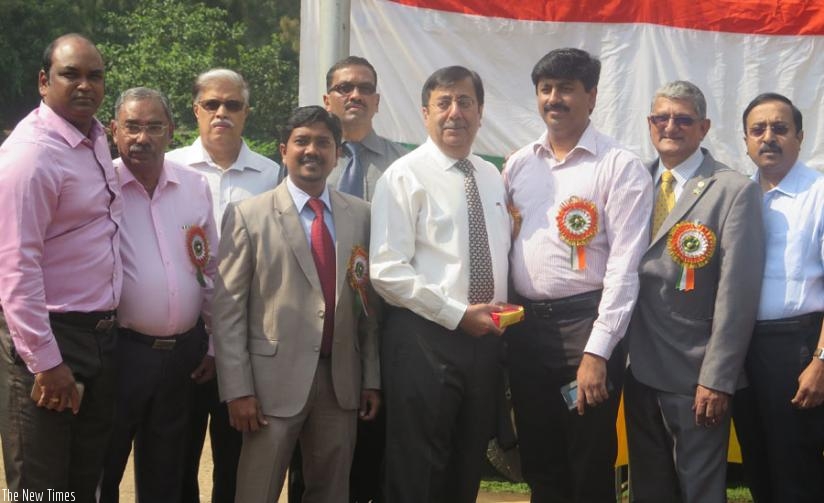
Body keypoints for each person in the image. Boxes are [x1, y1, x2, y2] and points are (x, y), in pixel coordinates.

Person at [502, 48, 652, 502]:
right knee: (540, 459)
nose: (554, 98)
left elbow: (626, 267)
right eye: (545, 89)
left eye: (566, 89)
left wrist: (597, 352)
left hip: (586, 328)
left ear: (592, 96)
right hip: (527, 331)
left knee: (587, 460)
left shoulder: (619, 166)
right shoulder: (518, 164)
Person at [213, 105, 381, 503]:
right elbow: (228, 312)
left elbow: (368, 309)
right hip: (269, 388)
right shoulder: (248, 216)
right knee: (256, 492)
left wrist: (370, 378)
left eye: (323, 143)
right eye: (301, 141)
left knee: (331, 492)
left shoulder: (361, 216)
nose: (312, 151)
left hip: (340, 384)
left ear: (336, 153)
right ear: (283, 150)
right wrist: (237, 390)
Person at [370, 65, 512, 503]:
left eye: (465, 102)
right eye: (444, 103)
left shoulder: (490, 175)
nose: (455, 113)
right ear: (425, 113)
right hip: (425, 339)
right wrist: (455, 314)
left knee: (466, 465)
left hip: (484, 342)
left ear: (481, 112)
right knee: (418, 469)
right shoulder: (404, 176)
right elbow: (386, 270)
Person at [624, 81, 765, 503]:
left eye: (683, 119)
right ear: (649, 123)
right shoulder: (633, 179)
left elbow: (737, 296)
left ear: (703, 128)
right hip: (637, 366)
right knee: (649, 489)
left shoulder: (732, 189)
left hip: (695, 373)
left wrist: (717, 379)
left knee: (699, 490)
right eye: (661, 118)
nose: (670, 126)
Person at [0, 34, 122, 500]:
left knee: (82, 482)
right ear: (43, 81)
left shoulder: (93, 139)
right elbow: (15, 267)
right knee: (42, 488)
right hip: (48, 341)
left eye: (95, 76)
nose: (85, 85)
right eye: (71, 74)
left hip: (99, 338)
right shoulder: (31, 155)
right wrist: (46, 362)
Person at [165, 68, 284, 503]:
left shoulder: (271, 175)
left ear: (246, 112)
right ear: (195, 110)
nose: (221, 113)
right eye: (211, 104)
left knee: (235, 461)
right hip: (181, 335)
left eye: (232, 105)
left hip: (243, 341)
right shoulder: (170, 166)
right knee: (175, 456)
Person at [98, 87, 218, 502]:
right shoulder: (99, 185)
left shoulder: (194, 186)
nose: (142, 138)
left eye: (153, 127)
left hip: (182, 357)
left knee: (166, 475)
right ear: (114, 130)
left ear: (171, 130)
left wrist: (212, 342)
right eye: (131, 126)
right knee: (103, 467)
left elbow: (209, 268)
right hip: (119, 352)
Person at [733, 93, 824, 503]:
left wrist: (821, 362)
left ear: (800, 137)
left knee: (796, 472)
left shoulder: (818, 193)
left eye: (780, 128)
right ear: (746, 141)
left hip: (797, 349)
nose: (768, 137)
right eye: (758, 129)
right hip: (743, 349)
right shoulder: (738, 195)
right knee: (759, 465)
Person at [323, 55, 407, 200]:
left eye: (366, 88)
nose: (356, 96)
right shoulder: (310, 159)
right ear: (327, 102)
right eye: (345, 88)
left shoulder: (403, 162)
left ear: (377, 102)